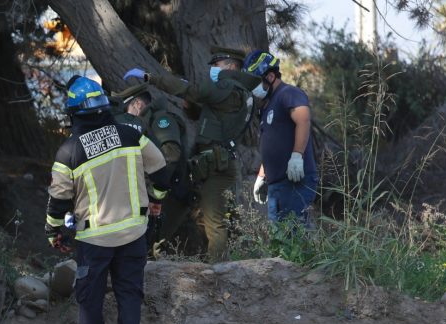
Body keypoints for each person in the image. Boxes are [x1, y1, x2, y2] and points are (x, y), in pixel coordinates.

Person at [46, 76, 169, 324]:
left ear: (73, 112)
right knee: (129, 292)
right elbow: (162, 169)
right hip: (134, 232)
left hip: (94, 238)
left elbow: (58, 201)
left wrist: (54, 232)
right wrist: (156, 200)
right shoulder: (131, 133)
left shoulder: (69, 151)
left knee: (90, 296)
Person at [123, 46, 261, 262]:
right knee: (178, 206)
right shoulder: (232, 92)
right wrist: (190, 104)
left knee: (215, 222)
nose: (213, 69)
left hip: (216, 166)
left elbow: (194, 92)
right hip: (206, 163)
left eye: (217, 65)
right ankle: (149, 252)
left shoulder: (230, 87)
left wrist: (152, 78)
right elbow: (203, 115)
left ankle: (220, 272)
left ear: (232, 66)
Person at [242, 50, 318, 225]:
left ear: (269, 76)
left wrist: (297, 155)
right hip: (277, 184)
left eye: (255, 82)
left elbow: (303, 119)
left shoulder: (288, 93)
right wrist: (262, 175)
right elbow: (272, 145)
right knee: (280, 241)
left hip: (295, 180)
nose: (253, 89)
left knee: (296, 237)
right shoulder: (267, 107)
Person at [109, 83, 186, 253]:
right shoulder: (144, 125)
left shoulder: (156, 120)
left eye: (126, 107)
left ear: (137, 103)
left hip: (122, 193)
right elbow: (157, 160)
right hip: (144, 192)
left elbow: (170, 156)